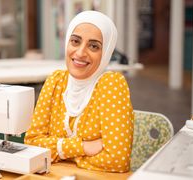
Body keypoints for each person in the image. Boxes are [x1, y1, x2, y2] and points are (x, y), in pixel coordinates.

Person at [24, 11, 134, 173]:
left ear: (106, 52)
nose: (81, 53)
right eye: (75, 41)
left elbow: (117, 160)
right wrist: (83, 147)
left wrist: (60, 152)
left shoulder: (111, 85)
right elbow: (32, 143)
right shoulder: (55, 81)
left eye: (93, 46)